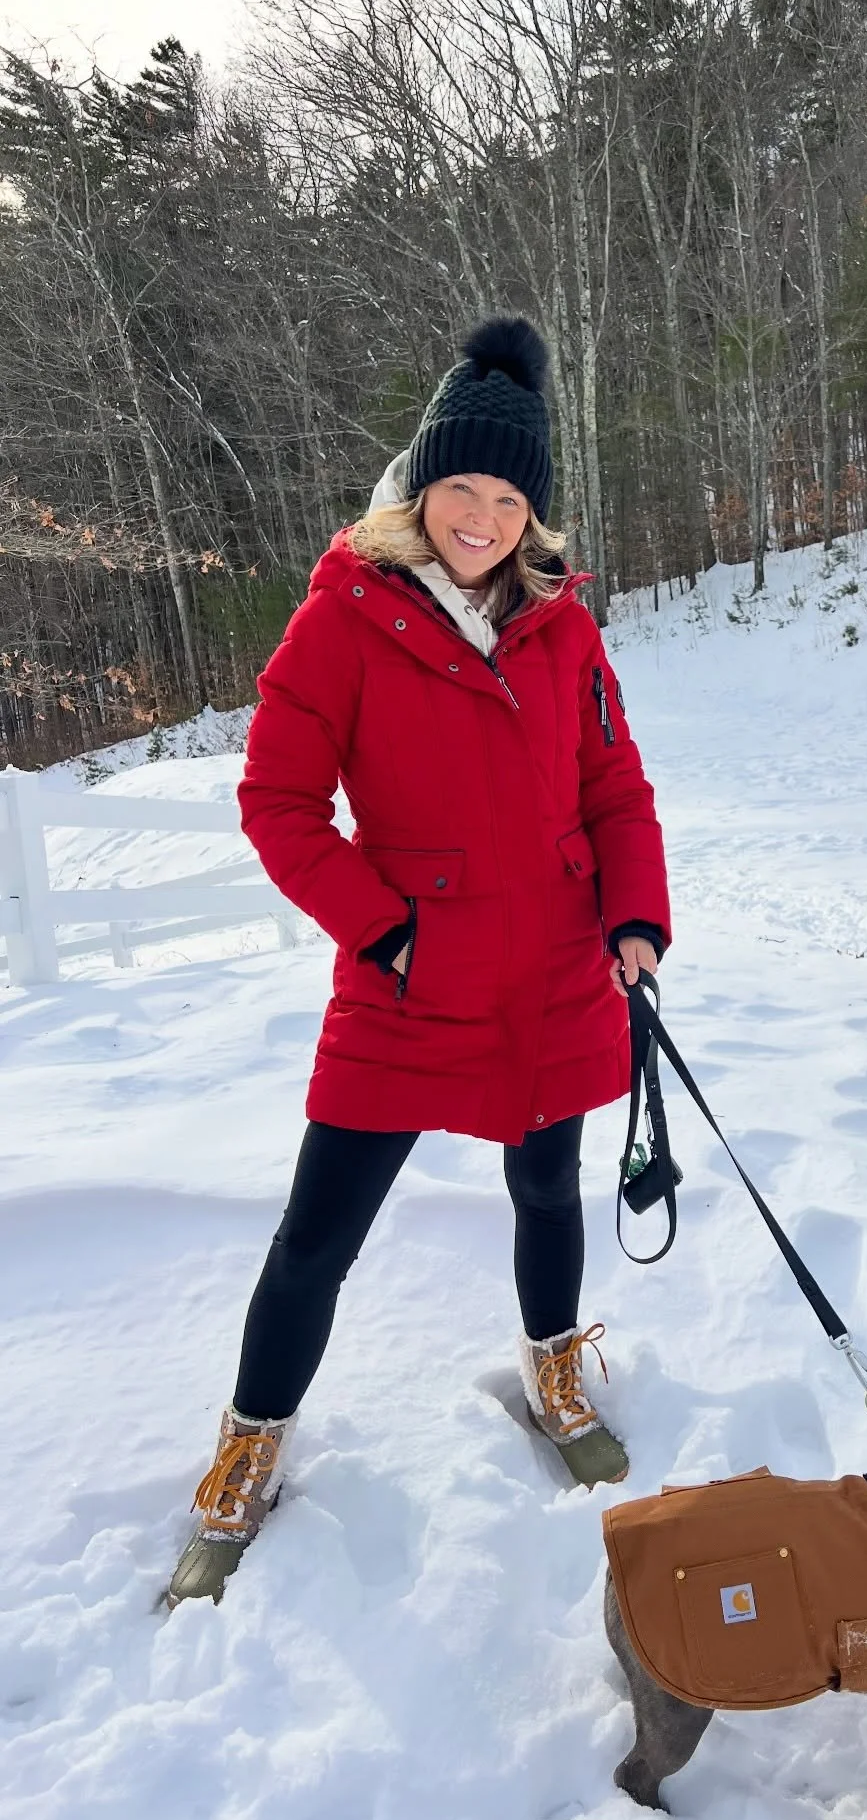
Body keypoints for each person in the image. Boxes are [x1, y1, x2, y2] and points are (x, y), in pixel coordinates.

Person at [166, 316, 670, 1608]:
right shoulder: (342, 616)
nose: (486, 518)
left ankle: (554, 1366)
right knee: (316, 1238)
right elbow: (277, 802)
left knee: (548, 1191)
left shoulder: (566, 624)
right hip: (405, 985)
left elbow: (613, 785)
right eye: (465, 489)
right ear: (420, 489)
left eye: (511, 498)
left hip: (555, 970)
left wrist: (635, 921)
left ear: (532, 511)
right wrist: (387, 930)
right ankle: (247, 1445)